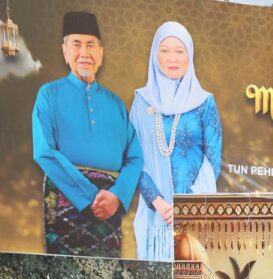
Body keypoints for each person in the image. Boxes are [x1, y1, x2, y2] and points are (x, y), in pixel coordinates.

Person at [33, 11, 143, 258]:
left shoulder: (116, 104)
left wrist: (117, 196)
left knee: (110, 277)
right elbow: (44, 151)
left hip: (110, 212)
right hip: (66, 207)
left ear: (101, 54)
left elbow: (135, 157)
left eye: (91, 45)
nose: (84, 53)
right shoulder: (49, 94)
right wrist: (91, 197)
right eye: (76, 44)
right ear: (65, 52)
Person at [129, 21, 222, 261]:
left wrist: (186, 207)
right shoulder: (141, 101)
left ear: (189, 55)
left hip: (193, 217)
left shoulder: (204, 103)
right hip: (155, 218)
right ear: (155, 55)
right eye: (165, 50)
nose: (172, 58)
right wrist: (158, 202)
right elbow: (133, 158)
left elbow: (212, 161)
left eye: (179, 51)